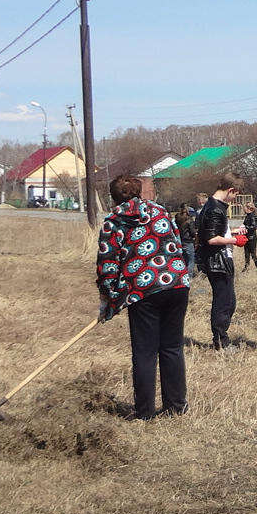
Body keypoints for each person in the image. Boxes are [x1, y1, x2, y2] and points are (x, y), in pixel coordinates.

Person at [97, 173, 190, 420]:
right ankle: (176, 406)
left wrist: (108, 300)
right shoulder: (160, 211)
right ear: (139, 192)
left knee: (145, 351)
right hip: (177, 283)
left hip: (144, 289)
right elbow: (177, 243)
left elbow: (108, 264)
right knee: (172, 347)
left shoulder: (114, 221)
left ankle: (144, 411)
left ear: (113, 197)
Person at [189, 172, 247, 350]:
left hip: (219, 260)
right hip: (217, 262)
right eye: (236, 193)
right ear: (231, 190)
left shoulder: (214, 206)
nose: (235, 197)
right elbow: (212, 239)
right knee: (224, 303)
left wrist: (231, 232)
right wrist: (234, 240)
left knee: (229, 301)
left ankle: (222, 338)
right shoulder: (214, 208)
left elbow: (213, 232)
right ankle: (221, 341)